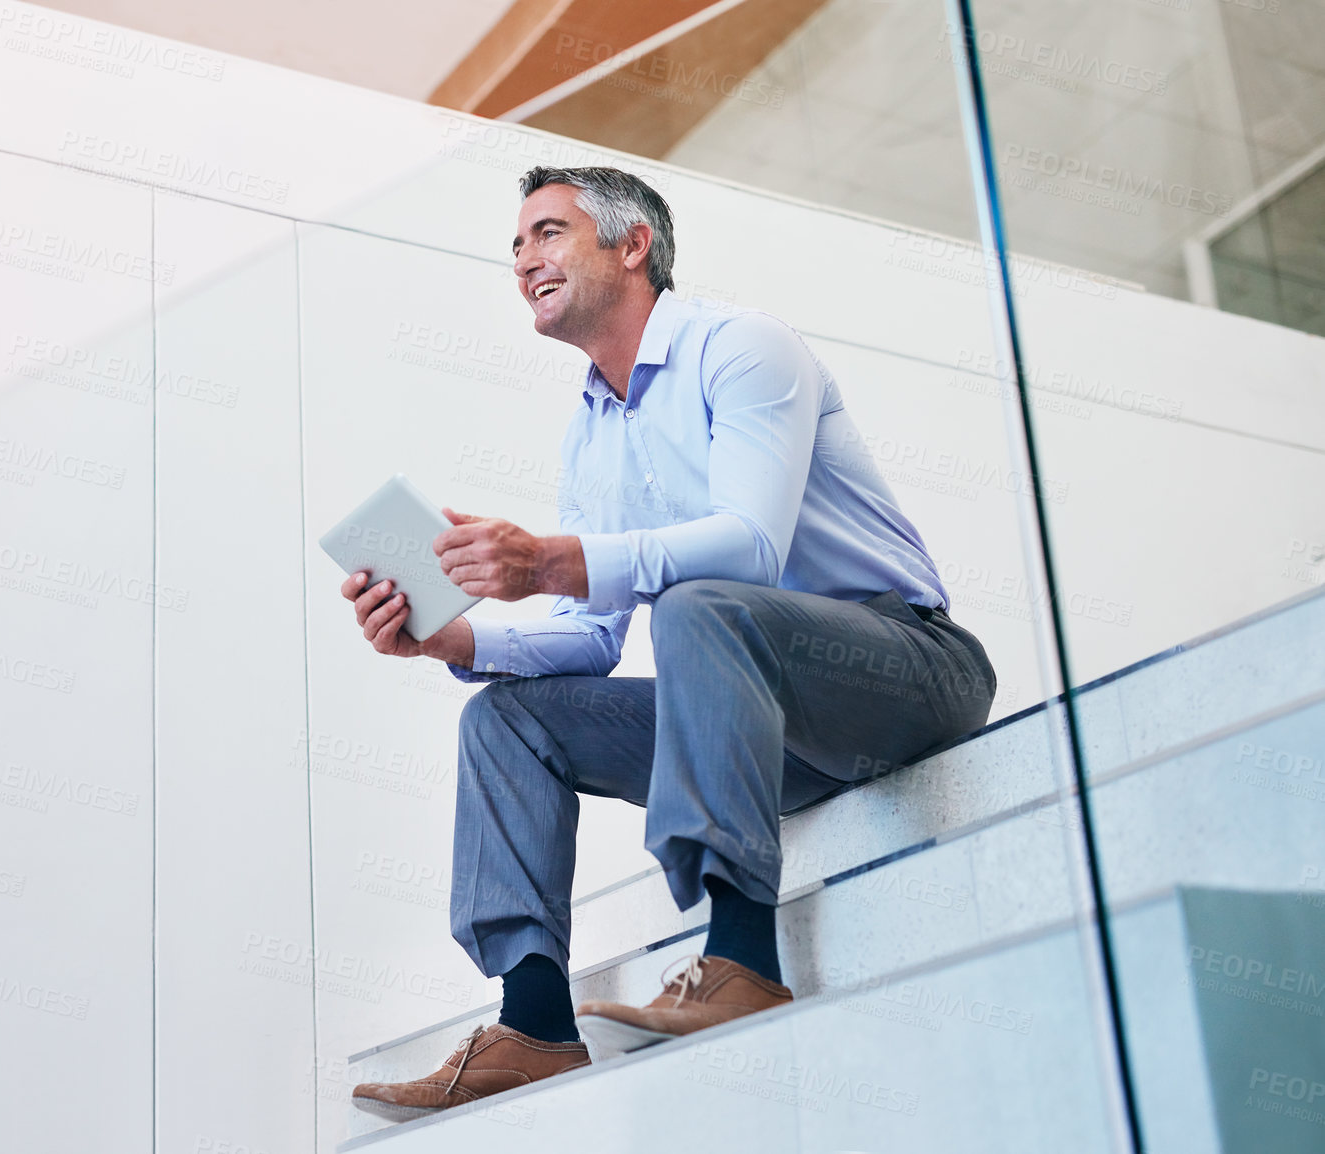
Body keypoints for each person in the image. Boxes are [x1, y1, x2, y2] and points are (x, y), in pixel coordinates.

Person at [343, 166, 996, 1121]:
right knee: (505, 720)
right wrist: (453, 638)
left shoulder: (745, 349)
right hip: (763, 730)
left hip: (905, 672)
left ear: (632, 243)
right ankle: (532, 1024)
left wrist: (557, 558)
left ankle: (740, 956)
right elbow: (589, 640)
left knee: (700, 602)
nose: (525, 260)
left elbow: (751, 547)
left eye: (549, 233)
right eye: (516, 246)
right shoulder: (589, 432)